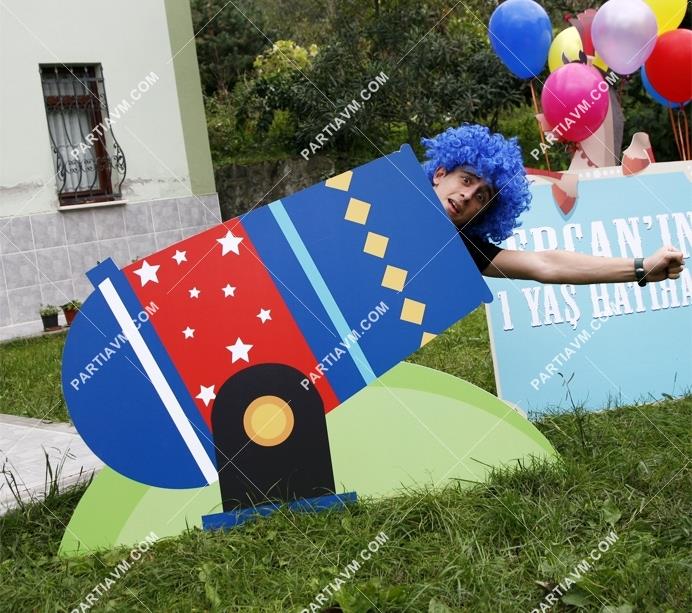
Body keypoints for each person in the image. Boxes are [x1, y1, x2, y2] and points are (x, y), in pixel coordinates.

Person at [422, 124, 685, 285]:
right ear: (440, 174)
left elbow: (546, 264)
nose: (468, 195)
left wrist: (641, 268)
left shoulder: (462, 249)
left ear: (482, 214)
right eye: (466, 180)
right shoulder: (390, 185)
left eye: (482, 197)